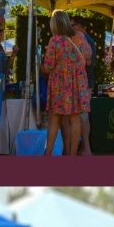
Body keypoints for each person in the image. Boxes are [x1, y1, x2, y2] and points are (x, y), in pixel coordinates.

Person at [42, 10, 91, 156]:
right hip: (78, 83)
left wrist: (40, 67)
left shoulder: (55, 40)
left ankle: (47, 154)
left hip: (60, 84)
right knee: (75, 118)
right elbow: (88, 57)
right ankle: (72, 154)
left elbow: (48, 66)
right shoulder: (80, 37)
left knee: (54, 119)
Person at [71, 18, 97, 155]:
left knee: (82, 115)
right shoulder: (78, 39)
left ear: (80, 26)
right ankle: (82, 147)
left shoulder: (88, 41)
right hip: (81, 82)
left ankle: (86, 148)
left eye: (72, 25)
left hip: (85, 83)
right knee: (80, 115)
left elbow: (88, 62)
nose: (70, 28)